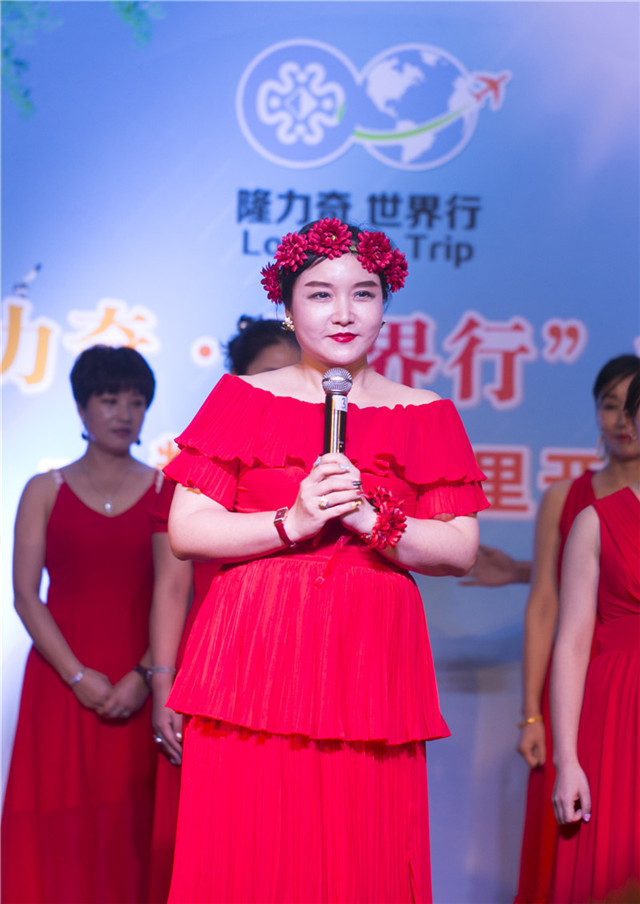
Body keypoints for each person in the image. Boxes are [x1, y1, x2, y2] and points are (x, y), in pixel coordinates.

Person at [162, 218, 489, 903]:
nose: (343, 312)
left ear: (385, 305)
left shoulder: (425, 412)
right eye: (320, 294)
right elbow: (188, 530)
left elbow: (459, 548)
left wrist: (371, 519)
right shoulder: (242, 398)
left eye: (362, 293)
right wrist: (294, 521)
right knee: (251, 850)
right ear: (287, 307)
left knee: (359, 852)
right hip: (255, 652)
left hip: (368, 659)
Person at [1, 345, 173, 904]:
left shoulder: (165, 491)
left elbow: (177, 592)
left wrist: (142, 676)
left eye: (137, 401)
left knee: (132, 827)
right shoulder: (43, 489)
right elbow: (25, 596)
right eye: (109, 399)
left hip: (141, 682)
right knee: (60, 824)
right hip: (61, 681)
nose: (124, 413)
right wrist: (77, 676)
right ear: (81, 407)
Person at [147, 316, 300, 903]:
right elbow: (171, 587)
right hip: (220, 658)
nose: (285, 388)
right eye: (269, 375)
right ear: (238, 383)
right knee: (224, 833)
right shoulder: (201, 464)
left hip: (300, 653)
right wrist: (164, 681)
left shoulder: (329, 464)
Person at [512, 354, 640, 904]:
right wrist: (533, 715)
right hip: (602, 694)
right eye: (611, 406)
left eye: (630, 407)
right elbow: (550, 607)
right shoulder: (579, 506)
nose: (622, 420)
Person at [550, 371, 640, 903]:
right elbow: (572, 644)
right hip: (619, 714)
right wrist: (567, 760)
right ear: (633, 421)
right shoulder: (596, 520)